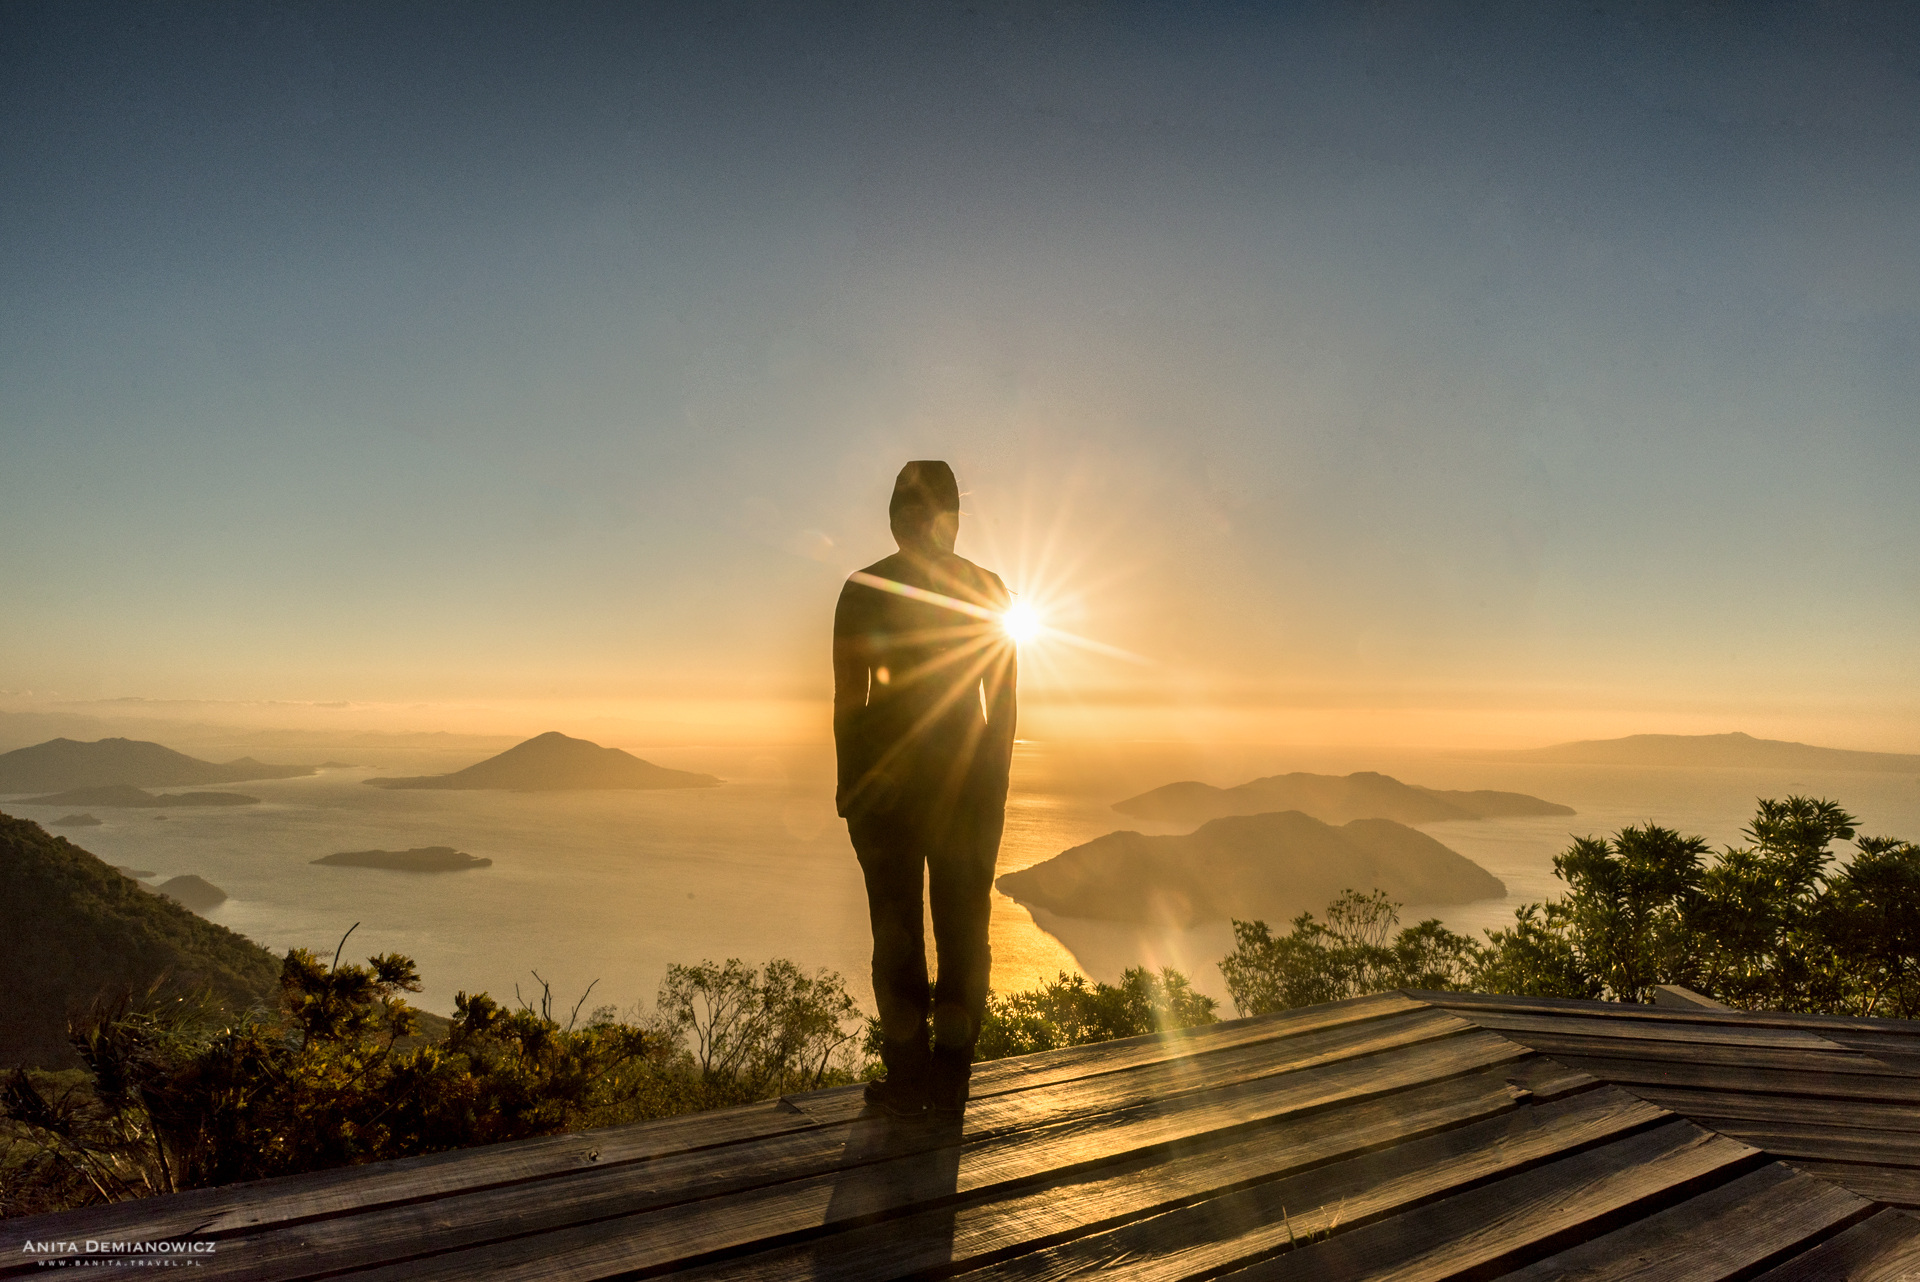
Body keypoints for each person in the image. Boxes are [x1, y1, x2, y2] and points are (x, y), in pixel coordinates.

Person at [833, 460, 1017, 1117]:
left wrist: (850, 786)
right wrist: (993, 790)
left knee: (911, 935)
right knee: (952, 932)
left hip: (901, 790)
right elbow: (1002, 707)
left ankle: (924, 1076)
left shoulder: (865, 587)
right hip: (953, 790)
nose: (916, 524)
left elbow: (849, 701)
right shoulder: (982, 587)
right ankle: (940, 1076)